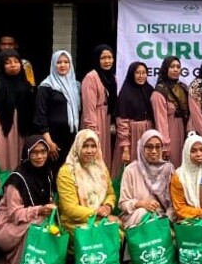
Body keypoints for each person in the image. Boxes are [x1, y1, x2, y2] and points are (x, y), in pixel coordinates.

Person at [0, 137, 56, 264]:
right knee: (38, 223)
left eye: (43, 151)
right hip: (5, 226)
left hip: (26, 220)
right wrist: (39, 210)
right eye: (34, 153)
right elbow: (14, 214)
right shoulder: (17, 180)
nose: (39, 156)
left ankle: (38, 262)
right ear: (27, 154)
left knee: (50, 222)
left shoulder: (47, 172)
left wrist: (51, 205)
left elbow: (47, 197)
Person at [56, 129, 119, 234]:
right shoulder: (67, 172)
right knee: (110, 234)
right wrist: (97, 213)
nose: (90, 151)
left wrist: (107, 206)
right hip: (75, 223)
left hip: (99, 219)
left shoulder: (101, 168)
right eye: (85, 146)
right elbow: (70, 209)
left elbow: (110, 194)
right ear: (77, 147)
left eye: (93, 146)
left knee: (119, 230)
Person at [0, 48, 35, 173]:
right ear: (1, 66)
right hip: (1, 135)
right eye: (7, 62)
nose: (13, 65)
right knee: (1, 170)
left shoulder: (27, 86)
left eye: (16, 61)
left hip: (21, 135)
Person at [35, 50, 82, 175]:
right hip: (53, 140)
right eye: (59, 62)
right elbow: (40, 116)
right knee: (54, 172)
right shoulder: (46, 86)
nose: (63, 65)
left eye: (66, 62)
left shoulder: (76, 86)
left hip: (71, 138)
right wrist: (49, 142)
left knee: (70, 173)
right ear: (53, 64)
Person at [118, 130, 175, 229]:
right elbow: (123, 203)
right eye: (149, 147)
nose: (154, 151)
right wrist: (140, 204)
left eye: (158, 147)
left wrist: (166, 220)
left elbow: (173, 203)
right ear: (142, 147)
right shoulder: (131, 170)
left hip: (162, 218)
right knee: (143, 212)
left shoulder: (168, 169)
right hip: (137, 217)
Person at [81, 45, 118, 175]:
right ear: (97, 59)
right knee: (93, 159)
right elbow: (89, 107)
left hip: (106, 121)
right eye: (103, 58)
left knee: (104, 158)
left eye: (110, 57)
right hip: (95, 121)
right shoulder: (91, 78)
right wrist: (92, 131)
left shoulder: (113, 78)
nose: (107, 61)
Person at [114, 62, 156, 172]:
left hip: (148, 135)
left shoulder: (150, 90)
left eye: (144, 73)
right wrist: (125, 147)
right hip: (132, 136)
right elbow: (122, 121)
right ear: (131, 74)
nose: (141, 76)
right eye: (137, 73)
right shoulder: (125, 93)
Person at [151, 56, 190, 167]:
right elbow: (160, 122)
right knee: (171, 165)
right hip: (169, 135)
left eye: (178, 67)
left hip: (184, 133)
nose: (176, 69)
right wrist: (165, 145)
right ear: (165, 69)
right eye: (172, 67)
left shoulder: (183, 88)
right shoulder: (159, 92)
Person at [169, 133, 202, 221]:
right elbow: (180, 208)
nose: (198, 154)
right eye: (193, 151)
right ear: (186, 153)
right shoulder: (179, 176)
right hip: (187, 221)